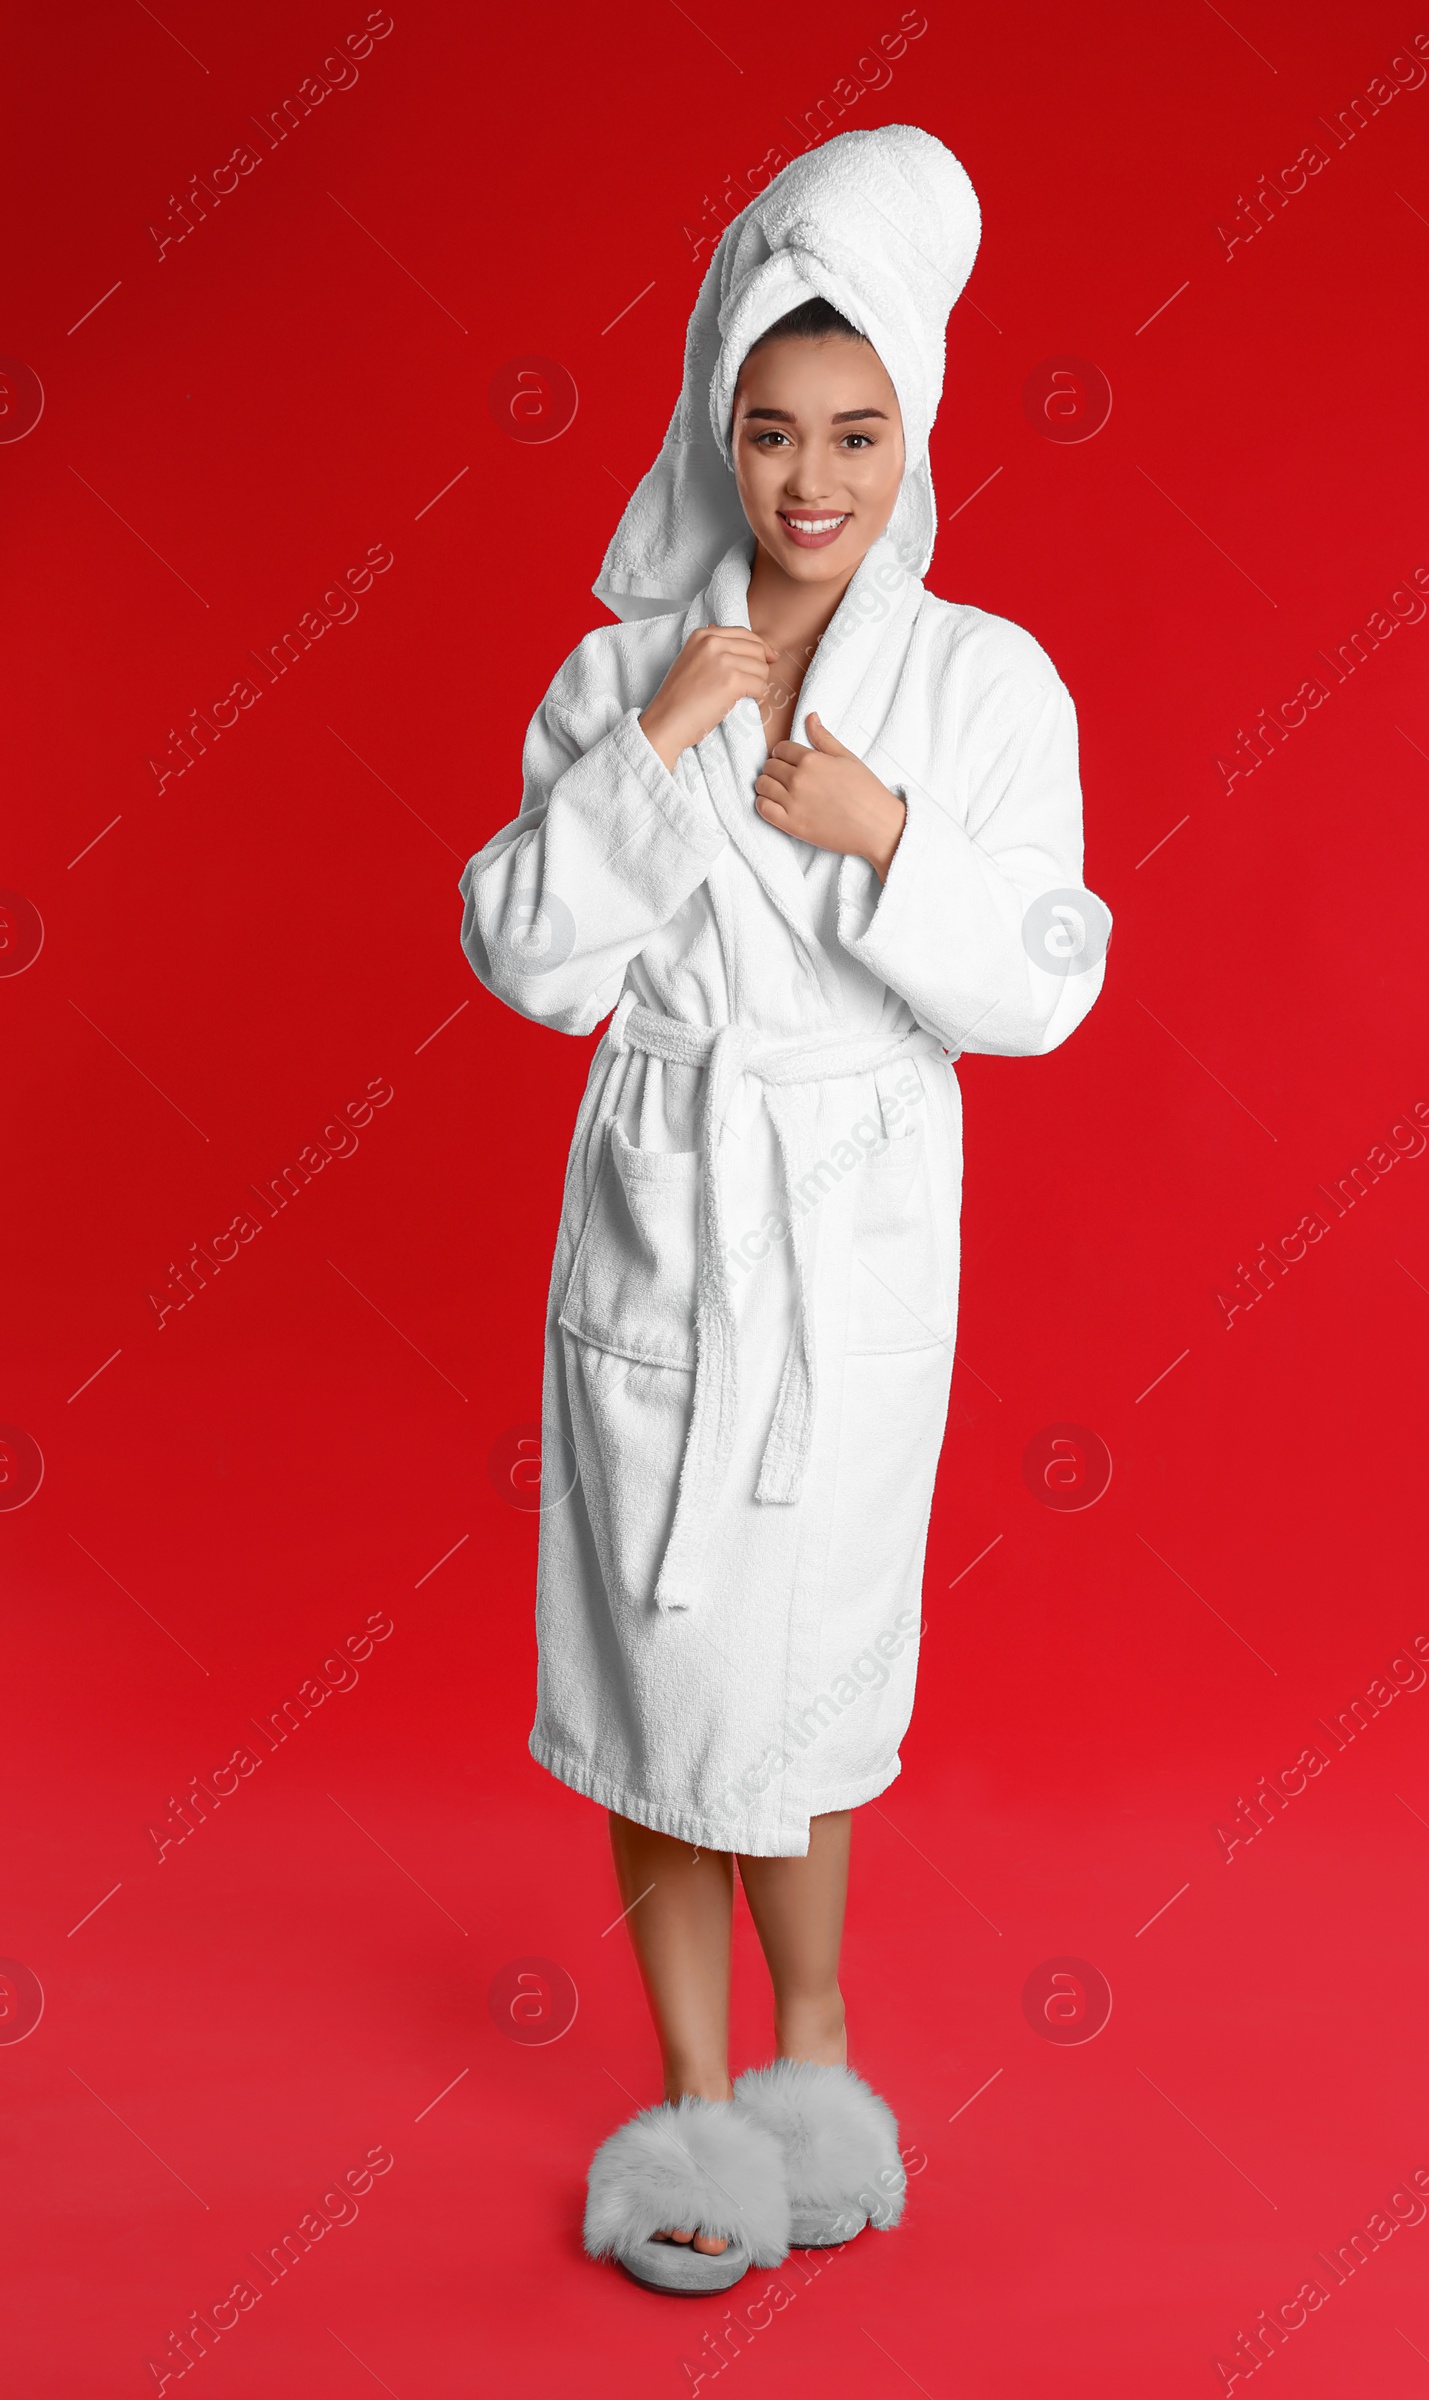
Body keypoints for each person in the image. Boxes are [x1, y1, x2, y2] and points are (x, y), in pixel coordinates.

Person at [457, 124, 1111, 2294]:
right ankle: (691, 2098)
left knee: (814, 1677)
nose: (808, 477)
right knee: (657, 1677)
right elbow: (525, 959)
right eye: (767, 429)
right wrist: (659, 752)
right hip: (665, 1232)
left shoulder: (985, 686)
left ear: (907, 430)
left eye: (852, 431)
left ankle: (817, 2056)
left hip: (843, 1238)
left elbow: (1044, 978)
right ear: (712, 427)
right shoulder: (615, 673)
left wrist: (881, 832)